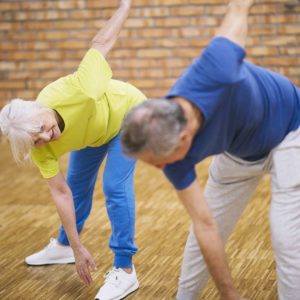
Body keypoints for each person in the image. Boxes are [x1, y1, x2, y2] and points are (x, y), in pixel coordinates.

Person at [121, 0, 300, 299]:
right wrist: (229, 293)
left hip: (291, 130)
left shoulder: (217, 67)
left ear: (183, 140)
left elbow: (239, 7)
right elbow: (205, 225)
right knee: (200, 234)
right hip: (239, 151)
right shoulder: (173, 156)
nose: (160, 170)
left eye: (158, 163)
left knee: (285, 236)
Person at [0, 1, 145, 299]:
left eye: (40, 127)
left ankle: (126, 269)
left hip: (129, 114)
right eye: (36, 139)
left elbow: (102, 42)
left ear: (38, 109)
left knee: (114, 185)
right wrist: (79, 248)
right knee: (76, 186)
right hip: (94, 134)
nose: (46, 136)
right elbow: (61, 192)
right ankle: (65, 246)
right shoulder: (39, 147)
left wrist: (126, 5)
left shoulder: (78, 88)